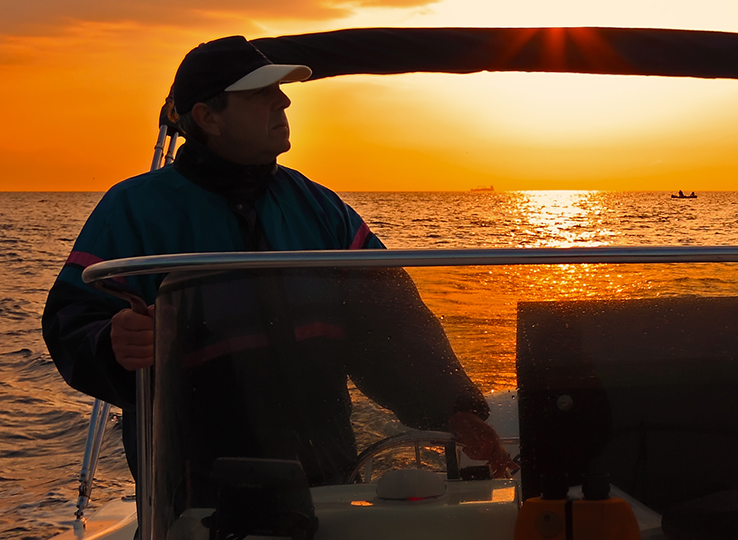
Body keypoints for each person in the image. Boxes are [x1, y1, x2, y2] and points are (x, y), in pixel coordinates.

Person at [41, 36, 513, 490]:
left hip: (327, 480)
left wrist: (452, 408)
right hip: (193, 497)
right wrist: (111, 343)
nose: (283, 103)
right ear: (208, 117)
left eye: (281, 92)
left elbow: (391, 321)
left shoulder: (320, 210)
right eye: (261, 94)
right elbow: (72, 318)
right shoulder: (134, 211)